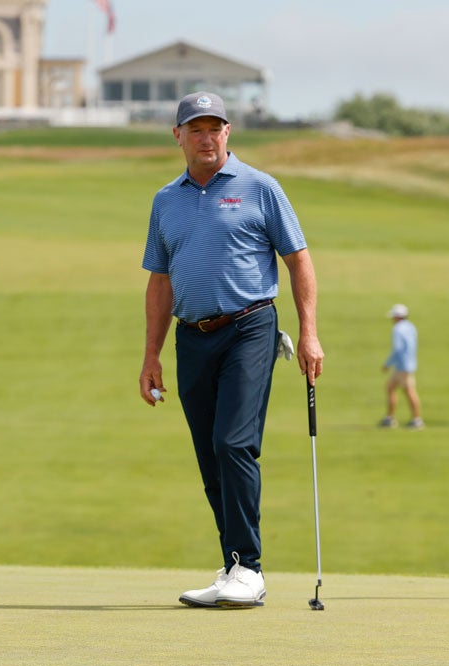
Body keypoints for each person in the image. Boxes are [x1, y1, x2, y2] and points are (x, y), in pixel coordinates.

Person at [138, 92, 324, 608]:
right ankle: (234, 567)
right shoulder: (166, 200)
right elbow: (159, 281)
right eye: (195, 128)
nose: (206, 136)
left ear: (228, 132)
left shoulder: (260, 188)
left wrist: (308, 332)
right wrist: (151, 355)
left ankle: (250, 566)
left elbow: (299, 261)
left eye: (215, 127)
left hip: (250, 327)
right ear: (177, 136)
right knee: (208, 456)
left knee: (233, 443)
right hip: (191, 336)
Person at [380, 303, 423, 429]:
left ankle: (416, 419)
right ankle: (389, 417)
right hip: (409, 363)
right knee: (390, 387)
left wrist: (388, 364)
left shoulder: (398, 329)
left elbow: (398, 349)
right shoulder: (411, 327)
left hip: (402, 365)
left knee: (409, 391)